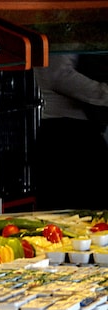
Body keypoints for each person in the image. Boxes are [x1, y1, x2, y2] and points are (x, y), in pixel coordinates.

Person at [32, 53, 108, 211]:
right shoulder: (59, 31)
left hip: (87, 131)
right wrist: (104, 93)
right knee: (65, 216)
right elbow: (58, 76)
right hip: (65, 135)